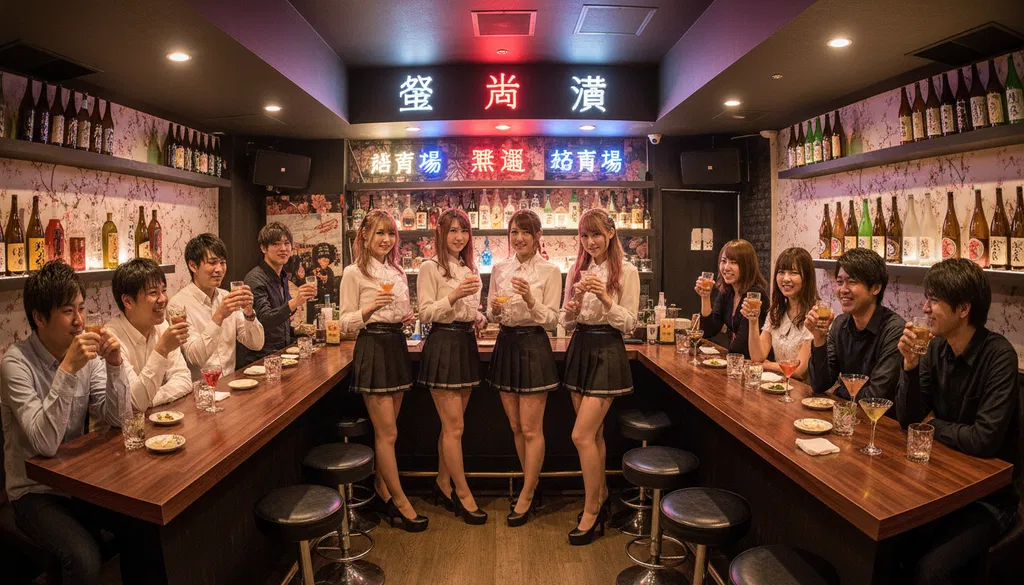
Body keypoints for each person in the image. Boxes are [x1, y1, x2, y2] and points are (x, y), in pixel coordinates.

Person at [1, 261, 129, 585]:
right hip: (33, 491)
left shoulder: (87, 354)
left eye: (81, 308)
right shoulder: (15, 364)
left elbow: (118, 419)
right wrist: (68, 368)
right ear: (39, 318)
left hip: (79, 480)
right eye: (67, 311)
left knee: (141, 524)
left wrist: (115, 366)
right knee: (83, 559)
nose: (79, 321)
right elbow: (45, 444)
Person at [894, 259, 1019, 585]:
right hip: (940, 484)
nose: (925, 308)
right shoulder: (933, 349)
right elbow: (908, 421)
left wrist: (932, 425)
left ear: (963, 309)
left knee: (930, 570)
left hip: (989, 500)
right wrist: (909, 367)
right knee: (890, 547)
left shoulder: (999, 356)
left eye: (934, 300)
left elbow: (984, 439)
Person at [338, 209, 426, 532]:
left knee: (388, 432)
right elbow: (344, 321)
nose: (386, 239)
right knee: (388, 433)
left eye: (390, 234)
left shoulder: (397, 272)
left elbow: (400, 311)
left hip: (395, 345)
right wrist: (370, 308)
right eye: (379, 233)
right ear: (364, 236)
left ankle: (382, 489)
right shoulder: (353, 273)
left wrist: (403, 316)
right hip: (373, 347)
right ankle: (400, 502)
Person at [560, 208, 640, 545]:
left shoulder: (628, 271)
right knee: (593, 435)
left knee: (581, 435)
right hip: (581, 346)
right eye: (584, 235)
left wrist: (605, 298)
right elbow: (564, 322)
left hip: (608, 349)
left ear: (610, 233)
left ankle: (591, 509)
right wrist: (573, 306)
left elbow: (630, 323)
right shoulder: (577, 269)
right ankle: (602, 494)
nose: (590, 241)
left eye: (596, 234)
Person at [486, 210, 562, 527]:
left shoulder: (550, 270)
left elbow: (553, 319)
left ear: (537, 236)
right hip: (506, 343)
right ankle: (532, 483)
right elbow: (491, 315)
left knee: (532, 430)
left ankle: (527, 494)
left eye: (526, 232)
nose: (519, 238)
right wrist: (493, 309)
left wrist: (530, 298)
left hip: (533, 345)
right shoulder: (499, 268)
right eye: (514, 232)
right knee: (516, 427)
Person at [417, 209, 488, 525]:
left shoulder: (469, 268)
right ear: (441, 234)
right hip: (443, 344)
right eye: (452, 231)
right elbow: (425, 313)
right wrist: (455, 295)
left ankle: (443, 482)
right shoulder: (429, 267)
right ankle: (463, 494)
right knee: (455, 427)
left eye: (464, 230)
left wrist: (478, 315)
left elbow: (468, 309)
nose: (459, 237)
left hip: (465, 343)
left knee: (452, 427)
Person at [805, 248, 905, 403]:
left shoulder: (894, 330)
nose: (843, 290)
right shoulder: (840, 324)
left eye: (852, 282)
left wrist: (840, 391)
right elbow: (820, 384)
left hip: (880, 417)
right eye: (840, 282)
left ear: (876, 288)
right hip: (849, 413)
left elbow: (877, 395)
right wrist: (819, 338)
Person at [168, 233, 264, 380]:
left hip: (230, 384)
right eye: (212, 263)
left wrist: (249, 312)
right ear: (193, 266)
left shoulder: (226, 296)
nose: (219, 269)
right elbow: (195, 358)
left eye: (222, 262)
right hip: (200, 389)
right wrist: (219, 316)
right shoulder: (178, 305)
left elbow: (256, 344)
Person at [105, 258, 192, 409]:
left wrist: (150, 399)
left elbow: (183, 379)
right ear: (127, 301)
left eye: (163, 290)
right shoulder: (111, 339)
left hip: (156, 415)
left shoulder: (162, 325)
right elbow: (134, 402)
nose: (163, 299)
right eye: (153, 293)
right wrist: (162, 349)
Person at [238, 222, 317, 366]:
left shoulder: (282, 276)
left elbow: (281, 319)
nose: (283, 249)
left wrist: (300, 331)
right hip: (261, 360)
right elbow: (264, 320)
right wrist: (295, 301)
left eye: (287, 243)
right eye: (276, 244)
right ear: (263, 248)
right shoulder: (255, 279)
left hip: (282, 354)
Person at [743, 247, 818, 378]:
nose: (786, 278)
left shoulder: (814, 315)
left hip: (806, 389)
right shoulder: (777, 311)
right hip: (780, 384)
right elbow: (757, 357)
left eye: (794, 273)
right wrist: (753, 320)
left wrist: (767, 365)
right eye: (781, 272)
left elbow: (799, 370)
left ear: (807, 277)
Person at [695, 239, 769, 358]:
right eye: (724, 261)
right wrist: (705, 297)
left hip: (756, 364)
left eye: (733, 262)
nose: (726, 267)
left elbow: (742, 346)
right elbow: (708, 331)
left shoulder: (754, 295)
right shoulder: (727, 292)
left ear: (747, 266)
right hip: (737, 360)